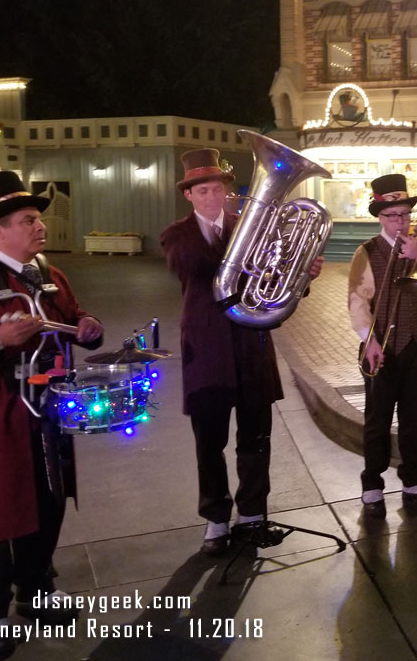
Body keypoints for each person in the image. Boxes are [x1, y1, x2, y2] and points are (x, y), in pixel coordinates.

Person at [0, 171, 103, 658]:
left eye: (37, 219)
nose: (40, 227)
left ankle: (35, 593)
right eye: (28, 220)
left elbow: (76, 316)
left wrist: (88, 326)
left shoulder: (50, 273)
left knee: (48, 501)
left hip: (50, 410)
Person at [160, 148, 322, 556]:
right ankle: (216, 519)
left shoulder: (251, 227)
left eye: (218, 188)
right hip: (207, 351)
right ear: (190, 196)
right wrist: (248, 241)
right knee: (209, 443)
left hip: (252, 348)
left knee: (256, 438)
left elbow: (275, 283)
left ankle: (251, 514)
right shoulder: (176, 235)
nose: (213, 196)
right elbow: (195, 267)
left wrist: (300, 273)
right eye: (203, 190)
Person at [349, 174, 417, 518]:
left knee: (413, 416)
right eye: (393, 216)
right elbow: (357, 302)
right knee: (377, 419)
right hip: (382, 348)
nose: (400, 222)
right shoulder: (366, 252)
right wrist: (370, 339)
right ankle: (372, 483)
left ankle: (414, 482)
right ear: (380, 217)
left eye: (405, 215)